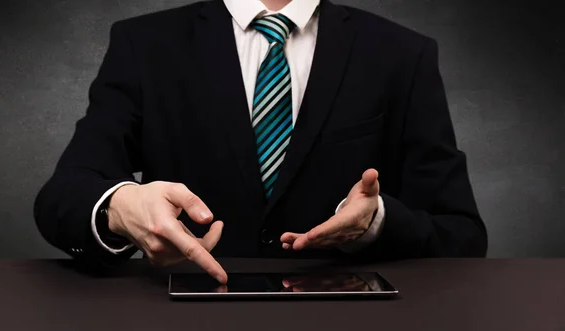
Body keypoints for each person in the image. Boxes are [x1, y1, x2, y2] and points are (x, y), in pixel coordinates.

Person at [34, 0, 487, 284]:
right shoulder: (144, 44)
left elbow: (462, 235)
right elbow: (65, 194)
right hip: (185, 315)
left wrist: (377, 223)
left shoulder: (403, 53)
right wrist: (119, 207)